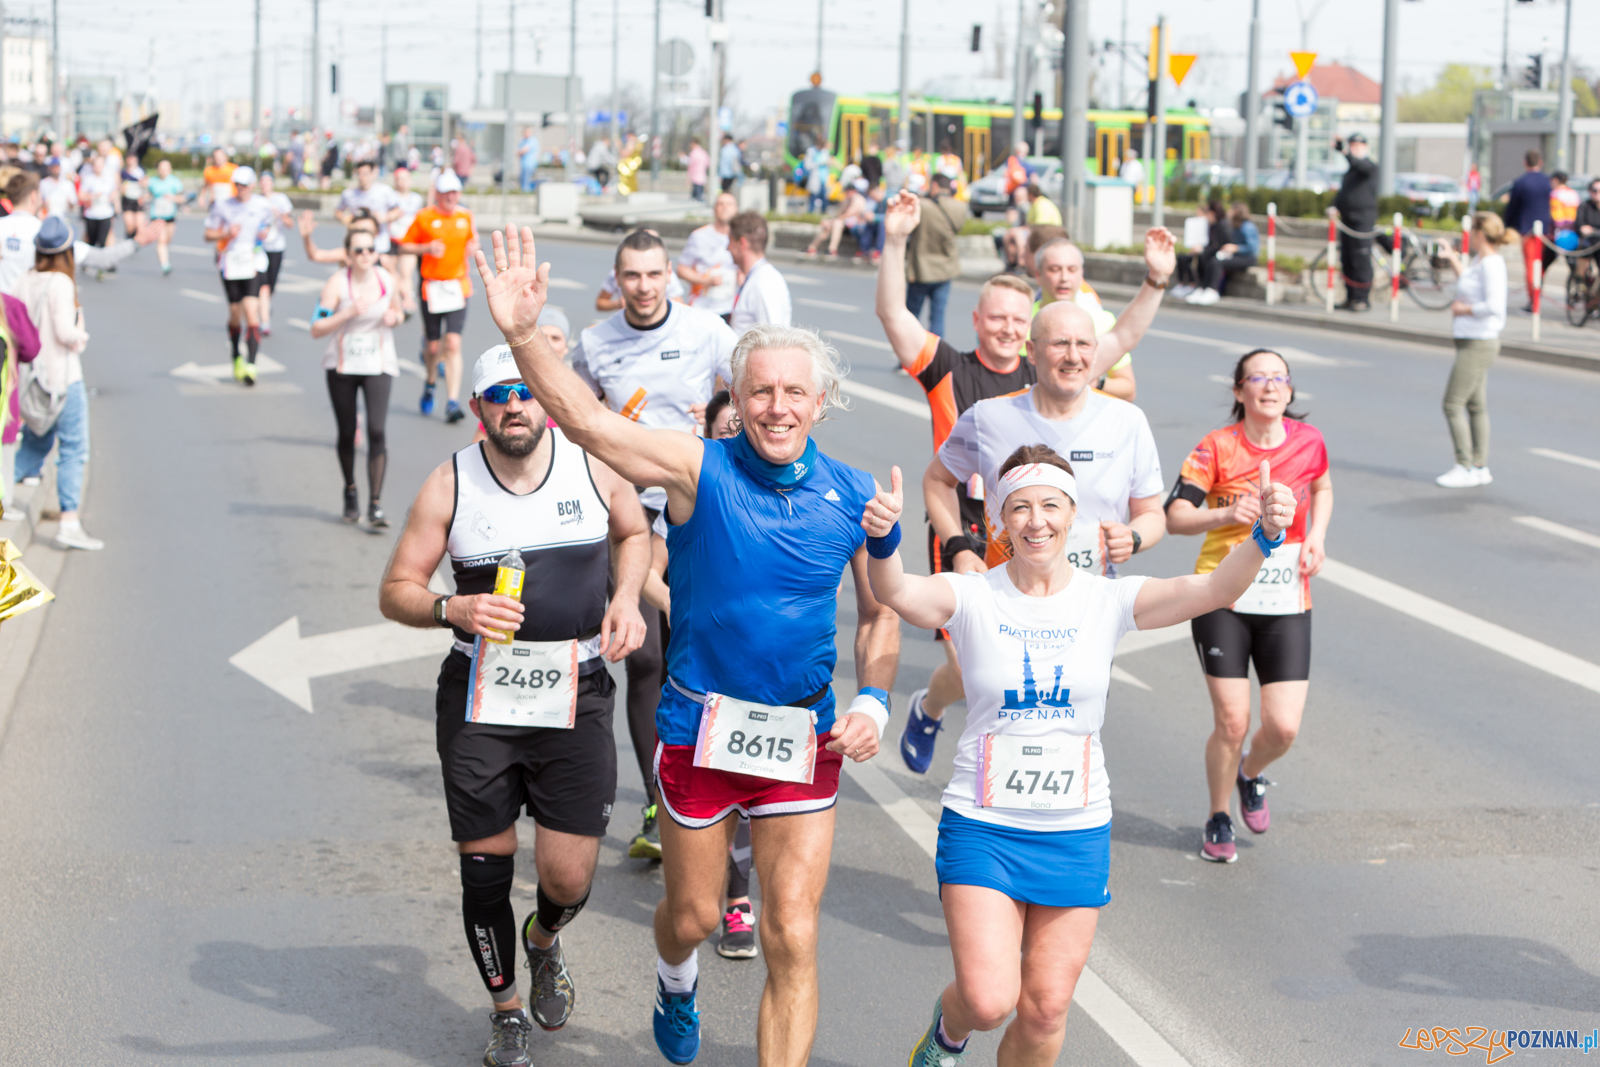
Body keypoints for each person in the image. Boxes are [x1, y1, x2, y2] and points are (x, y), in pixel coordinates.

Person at [473, 225, 900, 1067]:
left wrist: (875, 699)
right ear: (738, 398)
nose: (779, 406)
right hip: (701, 731)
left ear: (821, 402)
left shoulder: (854, 496)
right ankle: (676, 977)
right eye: (762, 390)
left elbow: (883, 613)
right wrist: (523, 335)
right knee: (695, 914)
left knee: (793, 929)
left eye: (795, 393)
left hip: (802, 735)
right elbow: (592, 425)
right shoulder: (698, 466)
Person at [859, 440, 1300, 1067]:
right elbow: (897, 592)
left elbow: (1214, 588)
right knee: (988, 1001)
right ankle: (946, 1035)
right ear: (1000, 523)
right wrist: (883, 541)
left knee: (1043, 1011)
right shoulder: (971, 595)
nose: (1035, 521)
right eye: (1019, 509)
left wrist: (1265, 535)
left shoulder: (1107, 599)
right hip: (985, 825)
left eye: (1050, 506)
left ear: (1074, 516)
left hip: (1075, 827)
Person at [378, 344, 650, 1067]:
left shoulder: (591, 464)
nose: (515, 405)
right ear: (479, 410)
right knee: (485, 868)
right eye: (499, 394)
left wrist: (625, 598)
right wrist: (450, 605)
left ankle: (542, 939)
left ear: (549, 401)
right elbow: (396, 587)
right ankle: (504, 1013)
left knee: (568, 878)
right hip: (480, 698)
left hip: (576, 690)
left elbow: (634, 531)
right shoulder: (450, 484)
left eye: (527, 392)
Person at [900, 289, 1171, 776]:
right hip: (1004, 590)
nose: (1074, 356)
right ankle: (934, 715)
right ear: (1032, 350)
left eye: (1084, 345)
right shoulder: (989, 417)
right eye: (1059, 344)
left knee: (1070, 707)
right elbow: (937, 481)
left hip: (1087, 599)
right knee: (988, 693)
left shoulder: (1126, 421)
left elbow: (1153, 513)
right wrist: (959, 546)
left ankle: (1054, 802)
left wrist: (1134, 537)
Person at [567, 228, 737, 864]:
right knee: (644, 658)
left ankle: (712, 799)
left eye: (652, 274)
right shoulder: (594, 343)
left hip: (696, 509)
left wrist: (721, 419)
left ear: (672, 275)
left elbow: (747, 391)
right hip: (629, 515)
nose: (642, 287)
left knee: (697, 657)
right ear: (616, 281)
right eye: (630, 276)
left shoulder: (706, 330)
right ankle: (655, 801)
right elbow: (572, 414)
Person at [1164, 349, 1331, 863]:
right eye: (1258, 378)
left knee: (1282, 727)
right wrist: (1225, 512)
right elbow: (1175, 516)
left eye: (1280, 378)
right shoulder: (1217, 448)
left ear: (1289, 390)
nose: (1270, 386)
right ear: (1239, 391)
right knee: (1232, 721)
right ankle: (1218, 816)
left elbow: (1322, 487)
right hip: (1223, 595)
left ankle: (1250, 773)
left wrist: (1317, 537)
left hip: (1286, 597)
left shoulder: (1309, 442)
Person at [13, 217, 113, 549]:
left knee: (35, 443)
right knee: (73, 448)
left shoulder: (26, 279)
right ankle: (69, 522)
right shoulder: (61, 283)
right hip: (63, 378)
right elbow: (65, 333)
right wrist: (81, 333)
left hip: (31, 379)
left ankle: (4, 489)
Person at [309, 225, 404, 525]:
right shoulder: (337, 284)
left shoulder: (387, 280)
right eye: (359, 250)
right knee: (347, 432)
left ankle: (375, 503)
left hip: (378, 362)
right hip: (342, 365)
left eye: (370, 249)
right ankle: (350, 489)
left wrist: (395, 318)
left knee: (377, 429)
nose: (366, 255)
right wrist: (346, 313)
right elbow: (316, 328)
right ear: (348, 255)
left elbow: (398, 313)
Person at [1032, 230, 1175, 404]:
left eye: (1072, 269)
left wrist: (1091, 381)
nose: (1064, 278)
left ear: (1081, 274)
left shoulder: (1101, 320)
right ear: (1038, 275)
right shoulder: (1018, 320)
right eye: (1055, 270)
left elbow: (1123, 339)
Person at [1432, 212, 1511, 489]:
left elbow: (1494, 306)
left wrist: (1463, 309)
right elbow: (1467, 280)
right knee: (1476, 406)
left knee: (1452, 403)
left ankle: (1464, 464)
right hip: (1472, 340)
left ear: (1479, 233)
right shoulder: (1481, 262)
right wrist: (1452, 258)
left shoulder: (1491, 265)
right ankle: (1479, 466)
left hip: (1480, 341)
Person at [398, 171, 478, 422]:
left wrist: (474, 248)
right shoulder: (424, 217)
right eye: (447, 193)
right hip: (431, 289)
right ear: (438, 194)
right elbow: (404, 245)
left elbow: (473, 241)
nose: (451, 197)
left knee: (453, 343)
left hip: (457, 288)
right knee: (433, 346)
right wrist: (426, 248)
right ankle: (430, 382)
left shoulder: (466, 216)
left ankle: (452, 401)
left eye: (455, 192)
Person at [202, 166, 274, 384]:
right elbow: (207, 234)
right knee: (235, 314)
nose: (240, 189)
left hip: (253, 261)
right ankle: (236, 355)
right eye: (237, 185)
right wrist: (225, 233)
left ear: (252, 185)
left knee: (252, 313)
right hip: (231, 262)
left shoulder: (262, 205)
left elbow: (267, 226)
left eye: (244, 185)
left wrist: (264, 233)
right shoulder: (223, 206)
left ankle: (251, 364)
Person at [905, 173, 969, 339]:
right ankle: (935, 360)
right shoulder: (959, 207)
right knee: (938, 316)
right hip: (945, 269)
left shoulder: (923, 206)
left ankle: (909, 359)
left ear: (934, 185)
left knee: (911, 317)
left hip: (921, 268)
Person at [1500, 149, 1552, 314]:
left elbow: (1512, 208)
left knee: (1531, 265)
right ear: (1540, 162)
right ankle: (1536, 296)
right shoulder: (1548, 181)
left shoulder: (1521, 182)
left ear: (1525, 162)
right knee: (1540, 264)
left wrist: (1508, 225)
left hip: (1528, 230)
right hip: (1547, 230)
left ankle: (1534, 302)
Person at [1331, 133, 1378, 312]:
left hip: (1362, 221)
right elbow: (1344, 193)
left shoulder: (1369, 166)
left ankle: (1362, 299)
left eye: (1358, 147)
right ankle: (1350, 297)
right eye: (1352, 146)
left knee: (1361, 259)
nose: (1354, 150)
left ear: (1365, 148)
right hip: (1347, 220)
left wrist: (1344, 152)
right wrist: (1334, 206)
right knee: (1347, 260)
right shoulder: (1350, 171)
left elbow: (1359, 165)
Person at [676, 192, 739, 321]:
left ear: (736, 209)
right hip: (702, 307)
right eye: (721, 204)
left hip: (730, 309)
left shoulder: (741, 238)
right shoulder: (699, 236)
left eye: (729, 204)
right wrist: (706, 281)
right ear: (714, 209)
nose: (725, 207)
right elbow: (681, 269)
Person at [727, 212, 791, 332]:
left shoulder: (764, 281)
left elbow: (773, 337)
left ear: (742, 243)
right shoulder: (757, 277)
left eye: (730, 241)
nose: (727, 247)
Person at [337, 159, 401, 262]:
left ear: (372, 173)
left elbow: (397, 211)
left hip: (379, 244)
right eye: (359, 173)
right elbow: (338, 211)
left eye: (365, 173)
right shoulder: (349, 194)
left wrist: (384, 217)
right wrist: (345, 219)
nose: (362, 177)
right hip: (357, 244)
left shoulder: (384, 191)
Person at [255, 171, 295, 336]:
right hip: (259, 248)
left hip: (276, 246)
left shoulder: (281, 199)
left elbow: (290, 223)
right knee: (261, 284)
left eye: (268, 181)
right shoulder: (255, 200)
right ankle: (264, 320)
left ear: (272, 183)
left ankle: (265, 306)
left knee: (270, 283)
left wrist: (279, 214)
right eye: (262, 181)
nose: (265, 184)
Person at [801, 179, 873, 259]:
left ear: (853, 191)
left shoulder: (858, 199)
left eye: (848, 191)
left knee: (837, 223)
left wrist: (832, 221)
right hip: (845, 223)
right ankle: (812, 247)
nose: (847, 193)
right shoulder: (846, 199)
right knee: (828, 226)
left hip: (857, 223)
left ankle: (832, 249)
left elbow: (848, 214)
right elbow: (839, 214)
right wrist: (829, 221)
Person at [388, 166, 424, 312]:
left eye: (405, 178)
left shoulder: (417, 199)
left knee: (406, 273)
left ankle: (408, 299)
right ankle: (396, 298)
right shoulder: (390, 196)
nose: (402, 182)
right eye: (399, 179)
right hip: (391, 240)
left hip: (409, 241)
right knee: (391, 272)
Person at [146, 158, 184, 275]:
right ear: (157, 169)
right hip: (157, 215)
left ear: (170, 169)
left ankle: (164, 257)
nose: (163, 171)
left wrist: (172, 198)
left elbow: (181, 198)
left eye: (166, 169)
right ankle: (165, 264)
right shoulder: (152, 181)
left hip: (170, 215)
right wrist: (144, 198)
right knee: (161, 240)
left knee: (167, 240)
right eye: (161, 169)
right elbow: (149, 194)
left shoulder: (175, 182)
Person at [79, 152, 119, 250]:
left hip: (106, 213)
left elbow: (115, 191)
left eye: (101, 165)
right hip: (91, 214)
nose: (98, 167)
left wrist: (114, 202)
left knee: (102, 241)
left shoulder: (109, 178)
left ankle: (102, 263)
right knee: (91, 241)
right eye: (96, 165)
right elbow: (81, 195)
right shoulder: (88, 178)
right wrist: (92, 196)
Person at [1576, 178, 1600, 283]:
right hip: (1588, 242)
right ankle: (1580, 281)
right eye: (1595, 190)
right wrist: (1584, 229)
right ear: (1590, 191)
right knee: (1584, 250)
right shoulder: (1585, 206)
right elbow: (1579, 224)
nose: (1598, 193)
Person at [119, 157, 147, 239]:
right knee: (130, 226)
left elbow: (146, 184)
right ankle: (129, 241)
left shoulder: (141, 171)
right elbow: (119, 184)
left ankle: (134, 243)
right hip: (127, 200)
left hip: (138, 200)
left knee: (139, 226)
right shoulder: (124, 172)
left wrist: (144, 194)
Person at [517, 126, 541, 192]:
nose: (526, 133)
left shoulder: (532, 140)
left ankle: (527, 192)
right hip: (523, 164)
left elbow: (524, 150)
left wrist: (520, 151)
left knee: (527, 180)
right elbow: (518, 153)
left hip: (530, 164)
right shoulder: (522, 141)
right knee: (522, 180)